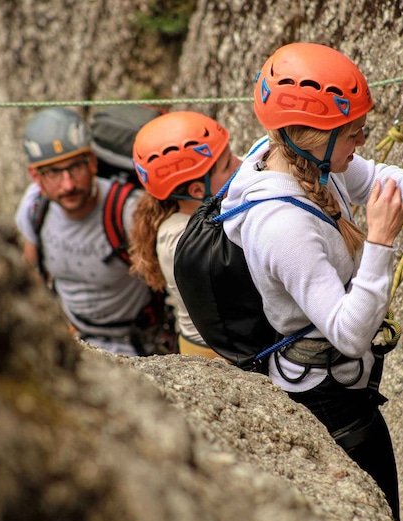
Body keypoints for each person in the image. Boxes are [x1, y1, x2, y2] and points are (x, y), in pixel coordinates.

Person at [221, 43, 403, 521]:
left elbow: (372, 176)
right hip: (327, 402)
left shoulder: (297, 159)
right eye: (352, 133)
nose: (362, 141)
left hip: (340, 383)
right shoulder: (283, 227)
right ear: (311, 136)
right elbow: (348, 333)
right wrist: (380, 242)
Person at [15, 107, 152, 356]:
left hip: (137, 345)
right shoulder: (35, 208)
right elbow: (29, 273)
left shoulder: (127, 211)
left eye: (75, 167)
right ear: (35, 176)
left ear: (92, 162)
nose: (68, 184)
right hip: (71, 338)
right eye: (54, 172)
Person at [129, 111, 242, 358]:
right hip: (214, 355)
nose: (240, 164)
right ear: (198, 189)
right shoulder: (179, 241)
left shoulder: (208, 197)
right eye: (228, 165)